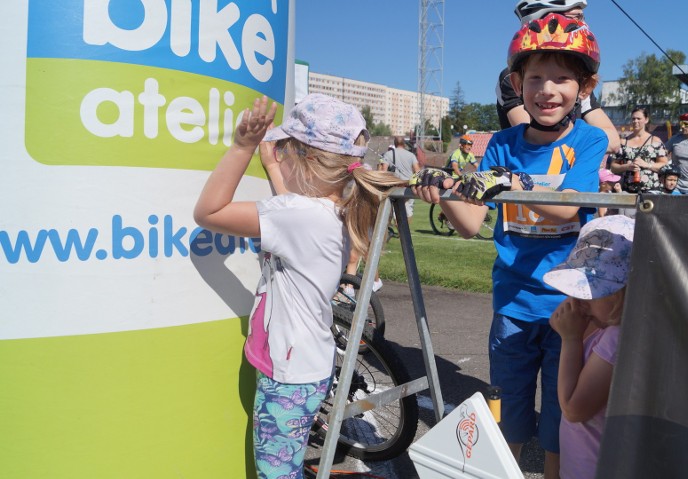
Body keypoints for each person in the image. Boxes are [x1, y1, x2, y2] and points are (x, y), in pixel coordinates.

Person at [411, 14, 607, 479]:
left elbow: (567, 209)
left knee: (563, 420)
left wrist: (511, 181)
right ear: (517, 84)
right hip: (514, 303)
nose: (547, 89)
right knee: (509, 417)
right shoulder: (501, 143)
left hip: (571, 308)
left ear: (585, 87)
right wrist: (442, 189)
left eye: (562, 77)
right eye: (535, 77)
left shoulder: (588, 139)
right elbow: (470, 222)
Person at [193, 94, 405, 479]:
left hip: (288, 376)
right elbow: (295, 206)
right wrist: (275, 168)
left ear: (305, 158)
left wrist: (241, 147)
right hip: (308, 365)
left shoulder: (298, 215)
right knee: (286, 465)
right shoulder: (335, 210)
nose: (281, 157)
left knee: (277, 473)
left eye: (285, 150)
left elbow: (208, 212)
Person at [543, 214, 634, 479]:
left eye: (592, 291)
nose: (578, 299)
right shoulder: (605, 326)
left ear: (627, 292)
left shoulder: (617, 339)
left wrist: (570, 339)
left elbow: (574, 408)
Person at [496, 0, 621, 155]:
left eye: (562, 78)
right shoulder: (511, 77)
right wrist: (589, 141)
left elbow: (613, 141)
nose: (585, 24)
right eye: (577, 17)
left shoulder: (574, 80)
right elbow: (542, 139)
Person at [608, 107, 668, 193]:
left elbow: (664, 165)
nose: (635, 121)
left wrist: (647, 165)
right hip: (628, 190)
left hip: (651, 190)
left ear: (646, 120)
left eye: (639, 118)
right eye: (633, 119)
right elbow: (613, 167)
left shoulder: (655, 141)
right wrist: (627, 167)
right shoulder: (624, 142)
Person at [379, 136, 421, 221]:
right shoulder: (411, 155)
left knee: (396, 212)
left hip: (396, 186)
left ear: (395, 144)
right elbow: (418, 171)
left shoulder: (388, 154)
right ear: (404, 144)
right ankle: (404, 232)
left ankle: (400, 232)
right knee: (408, 211)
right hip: (408, 186)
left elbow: (384, 171)